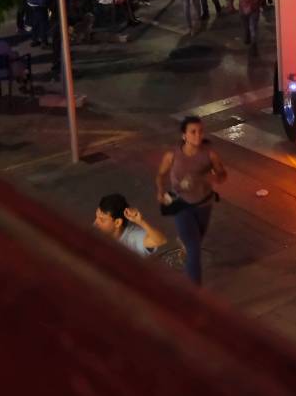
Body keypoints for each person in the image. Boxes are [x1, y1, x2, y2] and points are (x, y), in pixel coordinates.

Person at [156, 116, 227, 285]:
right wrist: (160, 192)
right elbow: (160, 175)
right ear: (184, 135)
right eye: (193, 132)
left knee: (195, 242)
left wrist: (212, 178)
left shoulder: (210, 154)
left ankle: (184, 241)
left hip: (204, 204)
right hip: (181, 205)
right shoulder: (172, 155)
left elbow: (222, 174)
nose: (197, 135)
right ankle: (194, 294)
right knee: (194, 250)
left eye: (200, 131)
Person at [94, 194, 167, 256]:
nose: (96, 223)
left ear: (117, 223)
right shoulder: (95, 232)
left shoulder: (133, 237)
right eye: (96, 217)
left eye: (102, 220)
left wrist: (141, 221)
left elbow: (160, 241)